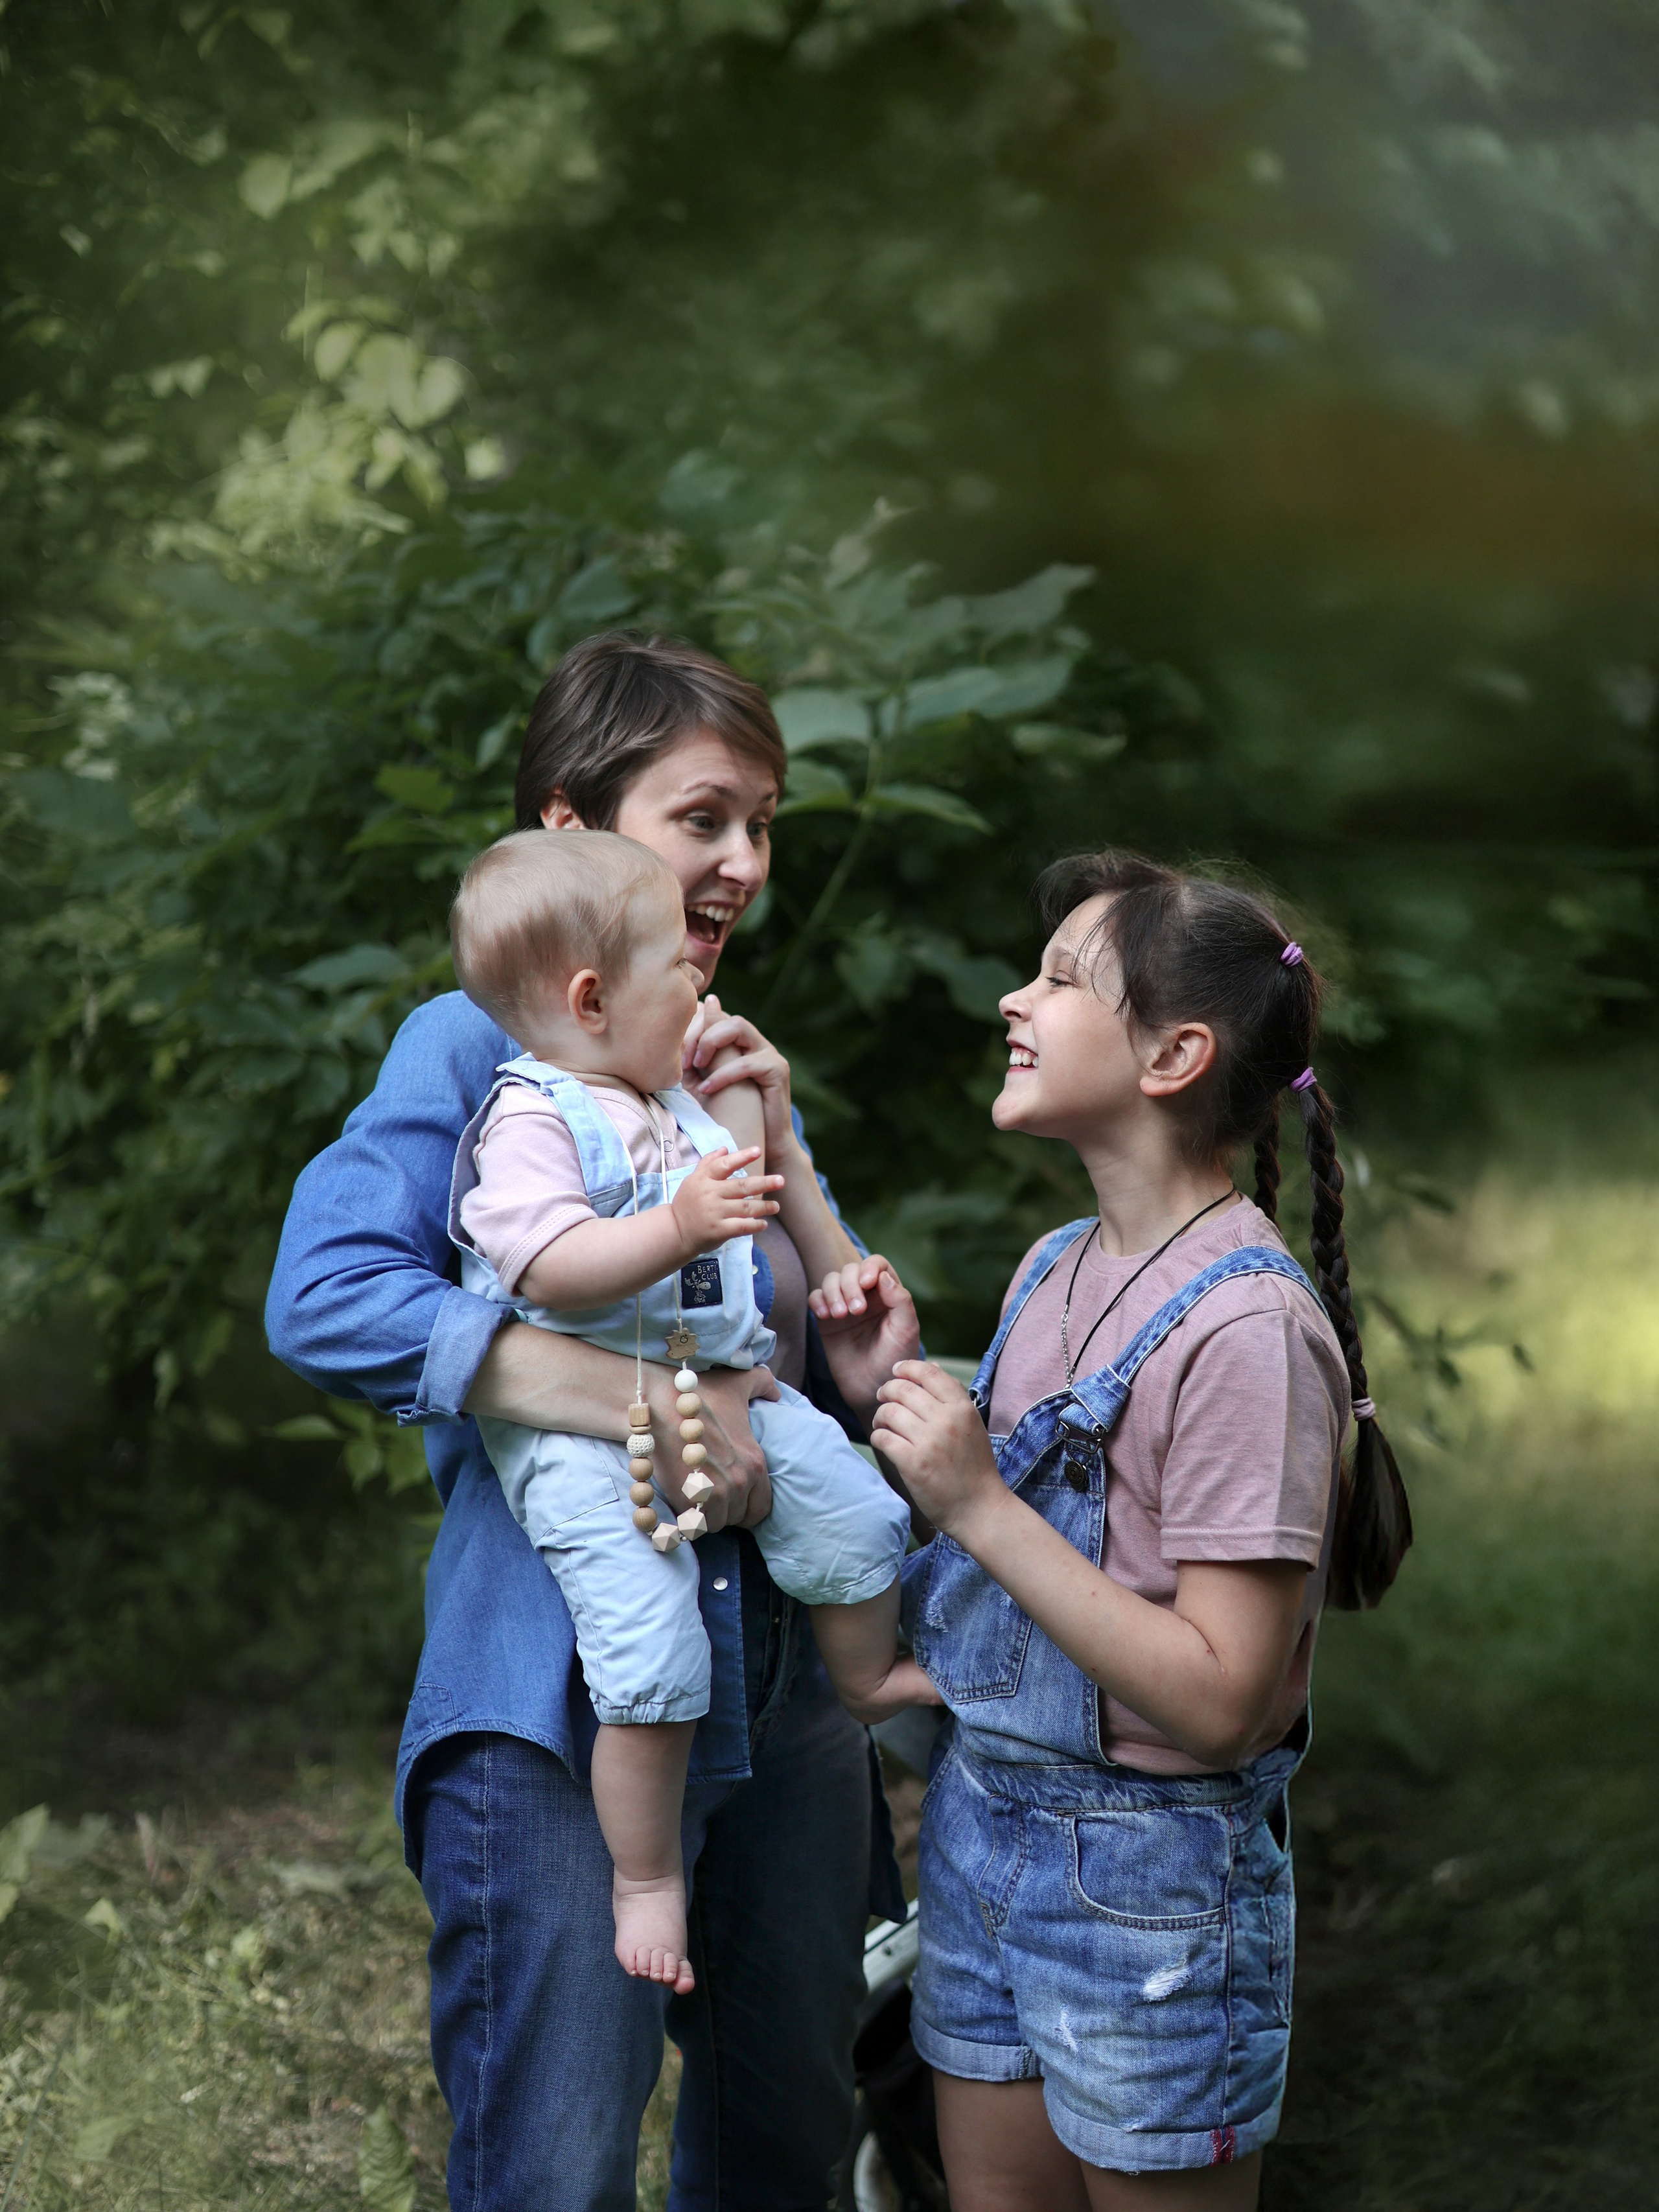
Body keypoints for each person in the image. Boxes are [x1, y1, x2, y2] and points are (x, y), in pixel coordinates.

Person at [265, 634, 923, 2212]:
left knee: (783, 2146)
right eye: (704, 817)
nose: (743, 863)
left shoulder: (710, 1066)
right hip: (563, 1694)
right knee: (555, 2166)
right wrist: (632, 1401)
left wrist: (835, 1274)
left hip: (784, 1699)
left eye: (762, 825)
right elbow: (324, 1296)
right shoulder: (473, 1046)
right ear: (567, 826)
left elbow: (789, 1366)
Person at [859, 850, 1412, 2212]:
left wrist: (976, 1502)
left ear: (1172, 1053)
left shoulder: (1244, 1334)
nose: (1012, 998)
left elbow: (1222, 1702)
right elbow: (1028, 1566)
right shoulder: (1057, 1265)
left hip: (1151, 1885)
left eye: (1058, 979)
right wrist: (900, 1378)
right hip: (982, 1825)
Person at [447, 828, 926, 1993]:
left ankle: (867, 1681)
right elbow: (548, 1264)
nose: (702, 982)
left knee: (861, 1514)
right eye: (680, 969)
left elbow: (758, 1194)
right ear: (592, 997)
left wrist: (754, 1106)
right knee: (652, 1657)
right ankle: (644, 1875)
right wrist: (675, 1225)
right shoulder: (534, 1117)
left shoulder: (672, 1093)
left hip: (741, 1386)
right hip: (584, 1436)